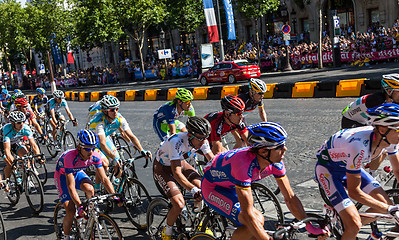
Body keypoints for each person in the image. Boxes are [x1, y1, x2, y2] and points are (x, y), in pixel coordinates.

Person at [201, 122, 329, 240]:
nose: (285, 150)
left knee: (255, 229)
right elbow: (247, 214)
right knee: (257, 220)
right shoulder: (242, 166)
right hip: (213, 188)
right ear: (263, 151)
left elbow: (290, 197)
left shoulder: (275, 162)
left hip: (230, 185)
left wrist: (310, 227)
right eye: (279, 147)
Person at [316, 103, 399, 239]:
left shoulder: (391, 139)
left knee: (387, 205)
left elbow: (398, 170)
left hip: (348, 165)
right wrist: (389, 210)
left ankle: (345, 222)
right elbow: (355, 192)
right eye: (398, 129)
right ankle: (350, 223)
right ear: (383, 129)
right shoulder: (358, 146)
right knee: (355, 225)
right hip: (328, 170)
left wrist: (388, 208)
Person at [153, 116, 214, 240]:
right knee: (179, 204)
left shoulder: (202, 140)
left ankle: (197, 220)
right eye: (200, 139)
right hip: (163, 168)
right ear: (190, 135)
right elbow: (176, 173)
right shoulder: (175, 142)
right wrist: (192, 189)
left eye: (205, 138)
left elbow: (213, 162)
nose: (203, 142)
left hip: (180, 162)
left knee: (203, 187)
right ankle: (167, 230)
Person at [54, 129, 121, 240]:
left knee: (90, 189)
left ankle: (88, 218)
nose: (90, 152)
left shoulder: (95, 156)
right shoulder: (70, 157)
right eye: (87, 148)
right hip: (63, 176)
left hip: (77, 172)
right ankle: (65, 236)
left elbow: (104, 178)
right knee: (71, 210)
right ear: (79, 147)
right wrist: (79, 205)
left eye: (93, 148)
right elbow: (71, 187)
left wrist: (115, 196)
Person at [88, 95, 151, 190]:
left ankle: (113, 190)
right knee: (104, 164)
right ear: (105, 111)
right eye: (112, 110)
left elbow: (131, 136)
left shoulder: (119, 118)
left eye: (117, 109)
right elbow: (102, 144)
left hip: (104, 137)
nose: (115, 112)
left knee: (119, 163)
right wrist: (113, 157)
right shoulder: (99, 122)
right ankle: (96, 187)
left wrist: (142, 150)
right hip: (92, 142)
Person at [341, 74, 399, 176]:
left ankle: (372, 166)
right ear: (389, 91)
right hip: (352, 120)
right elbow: (382, 124)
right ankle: (372, 175)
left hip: (366, 119)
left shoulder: (391, 99)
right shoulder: (377, 101)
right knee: (383, 144)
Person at [2, 111, 42, 181]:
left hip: (15, 141)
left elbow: (34, 145)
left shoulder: (26, 128)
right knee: (11, 165)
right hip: (2, 144)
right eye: (19, 122)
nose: (22, 124)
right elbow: (7, 151)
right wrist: (13, 162)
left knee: (26, 157)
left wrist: (38, 157)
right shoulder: (7, 129)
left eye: (23, 121)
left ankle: (26, 178)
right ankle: (6, 182)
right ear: (12, 123)